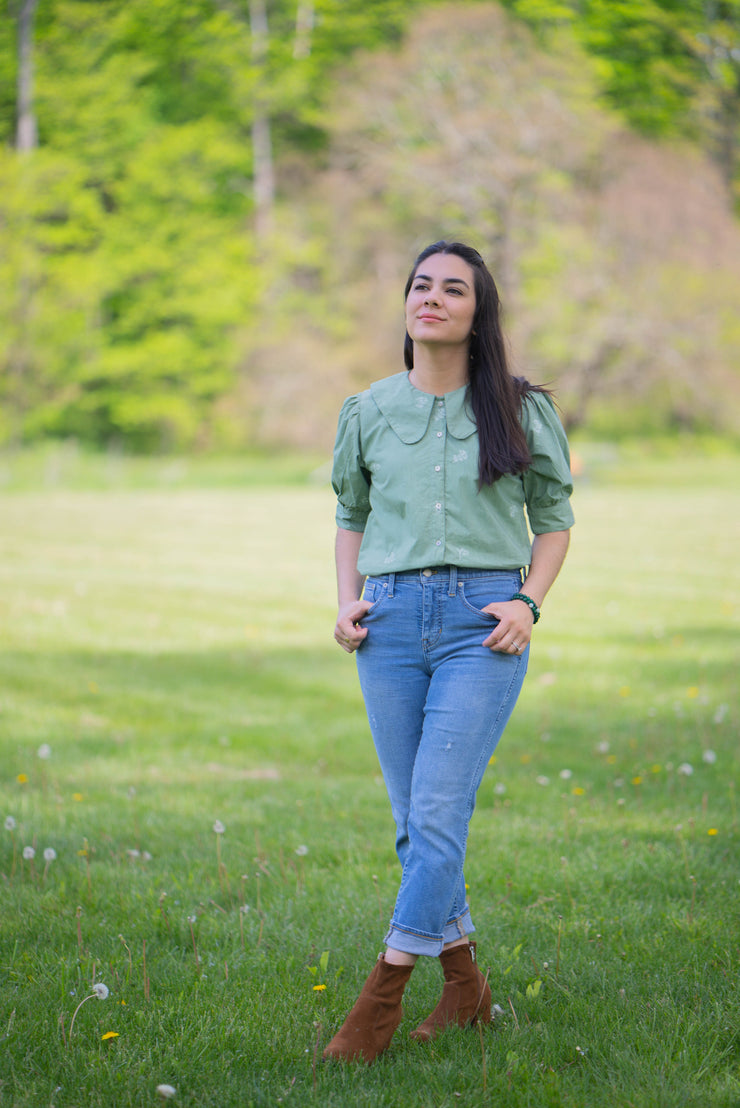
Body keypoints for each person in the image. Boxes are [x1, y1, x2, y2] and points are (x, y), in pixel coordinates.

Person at [324, 240, 574, 1064]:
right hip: (389, 625)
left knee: (435, 815)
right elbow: (351, 516)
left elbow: (555, 519)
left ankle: (380, 1001)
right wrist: (346, 600)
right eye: (421, 285)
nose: (432, 297)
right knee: (414, 825)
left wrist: (528, 603)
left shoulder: (519, 408)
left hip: (481, 625)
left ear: (478, 312)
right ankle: (466, 988)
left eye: (452, 288)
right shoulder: (366, 410)